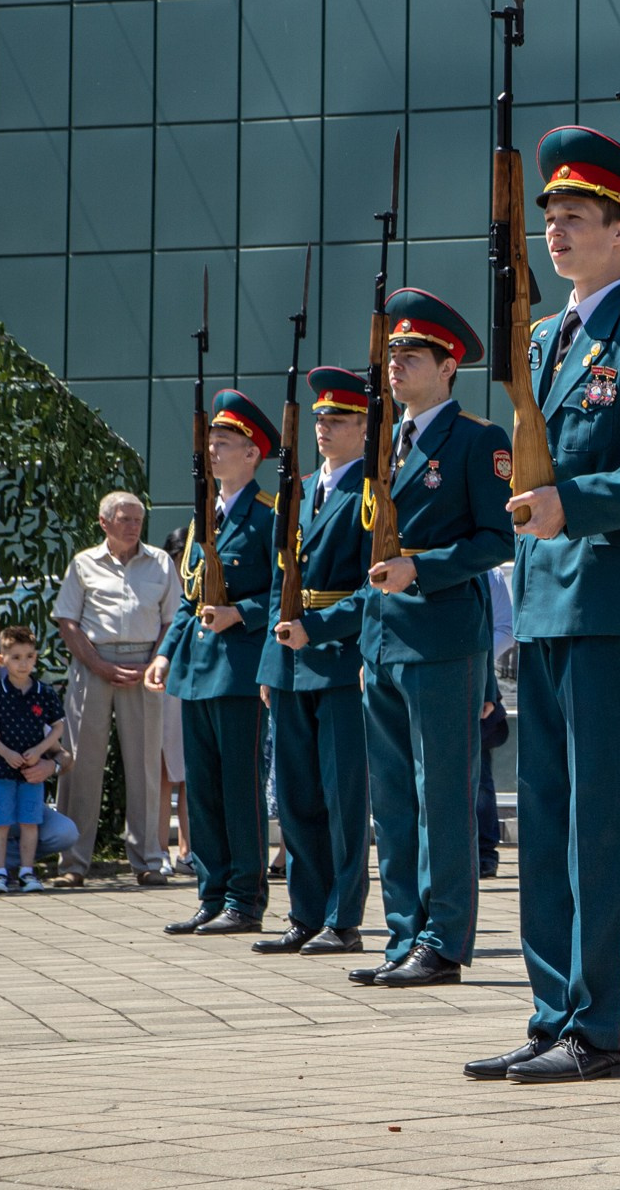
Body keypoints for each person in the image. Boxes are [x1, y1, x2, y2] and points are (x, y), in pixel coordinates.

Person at [467, 129, 620, 1085]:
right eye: (551, 218)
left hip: (610, 599)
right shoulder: (542, 340)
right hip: (547, 604)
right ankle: (551, 1008)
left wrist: (579, 504)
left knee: (601, 820)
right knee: (549, 819)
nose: (556, 233)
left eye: (575, 219)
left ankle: (601, 1029)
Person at [351, 290, 515, 990]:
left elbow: (497, 538)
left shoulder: (477, 441)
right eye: (392, 354)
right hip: (384, 640)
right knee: (390, 797)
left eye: (411, 355)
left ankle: (444, 940)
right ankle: (401, 934)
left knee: (441, 793)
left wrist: (422, 568)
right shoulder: (384, 442)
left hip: (443, 636)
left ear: (449, 367)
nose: (396, 366)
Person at [147, 389, 281, 936]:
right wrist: (164, 652)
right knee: (200, 791)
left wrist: (241, 615)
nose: (214, 452)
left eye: (225, 444)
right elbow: (189, 598)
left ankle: (246, 898)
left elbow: (281, 592)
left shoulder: (270, 517)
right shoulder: (204, 517)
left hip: (241, 670)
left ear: (253, 454)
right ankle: (212, 892)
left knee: (239, 789)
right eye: (211, 443)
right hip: (197, 670)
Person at [253, 367, 374, 956]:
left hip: (340, 655)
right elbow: (281, 579)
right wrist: (269, 663)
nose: (325, 428)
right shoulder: (298, 489)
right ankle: (304, 912)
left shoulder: (370, 491)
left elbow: (373, 586)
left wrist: (318, 629)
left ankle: (342, 917)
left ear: (365, 427)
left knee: (342, 795)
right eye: (321, 419)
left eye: (340, 420)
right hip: (291, 658)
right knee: (296, 792)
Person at [50, 491, 180, 888]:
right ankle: (73, 861)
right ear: (103, 522)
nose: (133, 525)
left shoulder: (160, 562)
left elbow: (172, 621)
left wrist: (153, 661)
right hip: (93, 662)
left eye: (138, 519)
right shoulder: (83, 563)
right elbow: (67, 622)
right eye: (124, 518)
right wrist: (99, 665)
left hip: (145, 663)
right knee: (80, 763)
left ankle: (148, 860)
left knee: (144, 763)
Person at [0, 645, 78, 872]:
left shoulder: (18, 705)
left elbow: (65, 756)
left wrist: (51, 766)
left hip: (9, 803)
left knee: (64, 833)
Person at [0, 625, 68, 894]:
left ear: (36, 657)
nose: (23, 663)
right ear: (1, 659)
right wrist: (6, 753)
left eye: (29, 656)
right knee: (0, 823)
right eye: (15, 657)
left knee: (30, 822)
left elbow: (58, 727)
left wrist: (40, 751)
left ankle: (28, 871)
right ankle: (0, 874)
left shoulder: (44, 692)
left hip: (31, 772)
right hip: (2, 771)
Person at [476, 566, 514, 879]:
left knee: (480, 775)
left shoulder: (491, 574)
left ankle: (485, 852)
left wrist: (479, 659)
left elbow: (506, 627)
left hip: (477, 678)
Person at [158, 527, 191, 876]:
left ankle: (188, 850)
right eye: (179, 559)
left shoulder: (205, 583)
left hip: (194, 682)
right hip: (165, 684)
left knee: (191, 772)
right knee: (164, 769)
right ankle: (158, 850)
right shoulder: (160, 584)